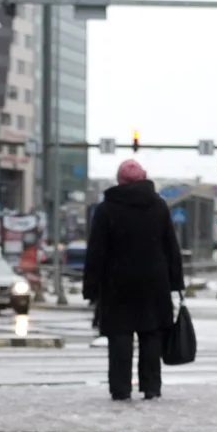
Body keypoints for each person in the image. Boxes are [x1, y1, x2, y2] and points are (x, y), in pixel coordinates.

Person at [83, 159, 185, 401]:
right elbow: (171, 247)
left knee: (119, 337)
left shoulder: (107, 209)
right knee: (151, 336)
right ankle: (151, 387)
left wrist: (91, 288)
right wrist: (176, 283)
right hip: (154, 284)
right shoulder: (158, 206)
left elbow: (96, 251)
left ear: (119, 181)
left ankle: (120, 388)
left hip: (117, 285)